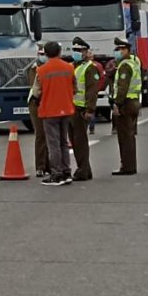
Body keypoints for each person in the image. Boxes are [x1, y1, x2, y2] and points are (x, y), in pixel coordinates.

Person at [33, 41, 76, 186]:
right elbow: (75, 87)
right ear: (59, 52)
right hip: (66, 108)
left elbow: (36, 92)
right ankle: (67, 172)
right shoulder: (69, 68)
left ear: (45, 54)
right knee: (64, 142)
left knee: (53, 144)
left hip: (50, 110)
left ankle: (56, 174)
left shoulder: (41, 70)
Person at [70, 37, 101, 181]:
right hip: (71, 108)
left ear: (86, 52)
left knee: (80, 141)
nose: (77, 53)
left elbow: (92, 90)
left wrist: (90, 110)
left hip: (81, 110)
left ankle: (82, 170)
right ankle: (85, 170)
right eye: (75, 50)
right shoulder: (72, 66)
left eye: (80, 50)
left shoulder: (90, 68)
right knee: (75, 141)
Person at [111, 37, 141, 175]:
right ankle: (130, 165)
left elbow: (122, 88)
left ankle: (127, 166)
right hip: (133, 101)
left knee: (125, 137)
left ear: (128, 50)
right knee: (129, 135)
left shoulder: (125, 66)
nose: (119, 51)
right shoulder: (133, 63)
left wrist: (117, 104)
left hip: (126, 104)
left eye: (122, 49)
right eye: (117, 49)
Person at [26, 49, 50, 177]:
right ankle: (40, 166)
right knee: (41, 134)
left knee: (50, 135)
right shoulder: (34, 69)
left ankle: (49, 165)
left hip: (49, 102)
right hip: (36, 102)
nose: (43, 56)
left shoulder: (52, 67)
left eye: (45, 54)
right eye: (41, 54)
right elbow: (36, 87)